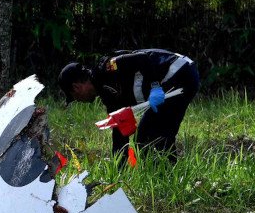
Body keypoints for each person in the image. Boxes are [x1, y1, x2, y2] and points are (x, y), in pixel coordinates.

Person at [58, 49, 199, 162]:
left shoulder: (108, 68)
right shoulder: (107, 94)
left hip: (180, 73)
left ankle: (169, 178)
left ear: (76, 87)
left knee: (155, 136)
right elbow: (120, 131)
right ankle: (165, 175)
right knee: (143, 139)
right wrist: (119, 168)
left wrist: (155, 86)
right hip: (175, 78)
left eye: (75, 97)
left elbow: (143, 58)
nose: (79, 100)